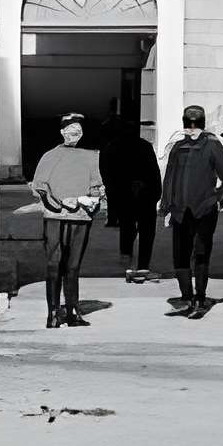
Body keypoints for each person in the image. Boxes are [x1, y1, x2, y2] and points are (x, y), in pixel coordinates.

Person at [160, 104, 223, 319]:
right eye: (188, 127)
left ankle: (200, 299)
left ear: (201, 127)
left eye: (195, 127)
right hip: (180, 211)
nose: (192, 131)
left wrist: (219, 201)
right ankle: (186, 299)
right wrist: (166, 206)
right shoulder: (177, 148)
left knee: (201, 255)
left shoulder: (212, 146)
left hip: (204, 210)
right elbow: (169, 179)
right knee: (180, 256)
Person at [32, 111, 103, 328]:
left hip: (81, 217)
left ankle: (72, 312)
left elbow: (96, 187)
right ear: (62, 132)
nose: (75, 135)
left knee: (73, 266)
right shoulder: (50, 156)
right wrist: (61, 202)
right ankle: (53, 313)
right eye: (71, 131)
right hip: (55, 216)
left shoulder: (91, 157)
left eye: (78, 131)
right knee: (54, 265)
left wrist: (92, 200)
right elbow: (39, 187)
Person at [99, 108, 163, 283]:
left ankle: (128, 261)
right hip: (144, 195)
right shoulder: (144, 146)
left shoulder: (111, 147)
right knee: (146, 232)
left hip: (125, 196)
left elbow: (106, 173)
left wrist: (115, 192)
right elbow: (154, 172)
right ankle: (142, 266)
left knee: (128, 229)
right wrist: (154, 193)